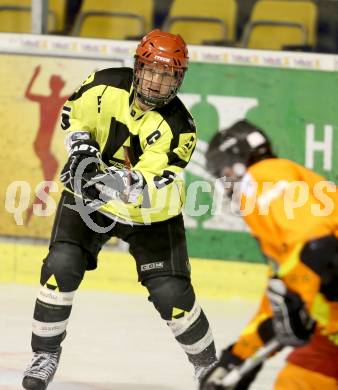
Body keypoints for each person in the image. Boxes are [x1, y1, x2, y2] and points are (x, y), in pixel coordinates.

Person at [22, 29, 217, 390]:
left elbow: (140, 182)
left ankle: (208, 366)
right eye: (151, 71)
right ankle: (45, 354)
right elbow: (73, 117)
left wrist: (100, 177)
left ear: (179, 79)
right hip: (90, 199)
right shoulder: (103, 84)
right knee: (60, 266)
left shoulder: (180, 128)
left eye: (167, 75)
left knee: (172, 295)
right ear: (137, 66)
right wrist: (81, 149)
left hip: (150, 213)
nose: (157, 82)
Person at [200, 120, 338, 389]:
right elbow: (285, 292)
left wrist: (299, 298)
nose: (226, 185)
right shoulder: (286, 199)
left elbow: (317, 250)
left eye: (224, 171)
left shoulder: (262, 175)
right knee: (300, 378)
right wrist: (237, 358)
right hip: (330, 328)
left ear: (239, 162)